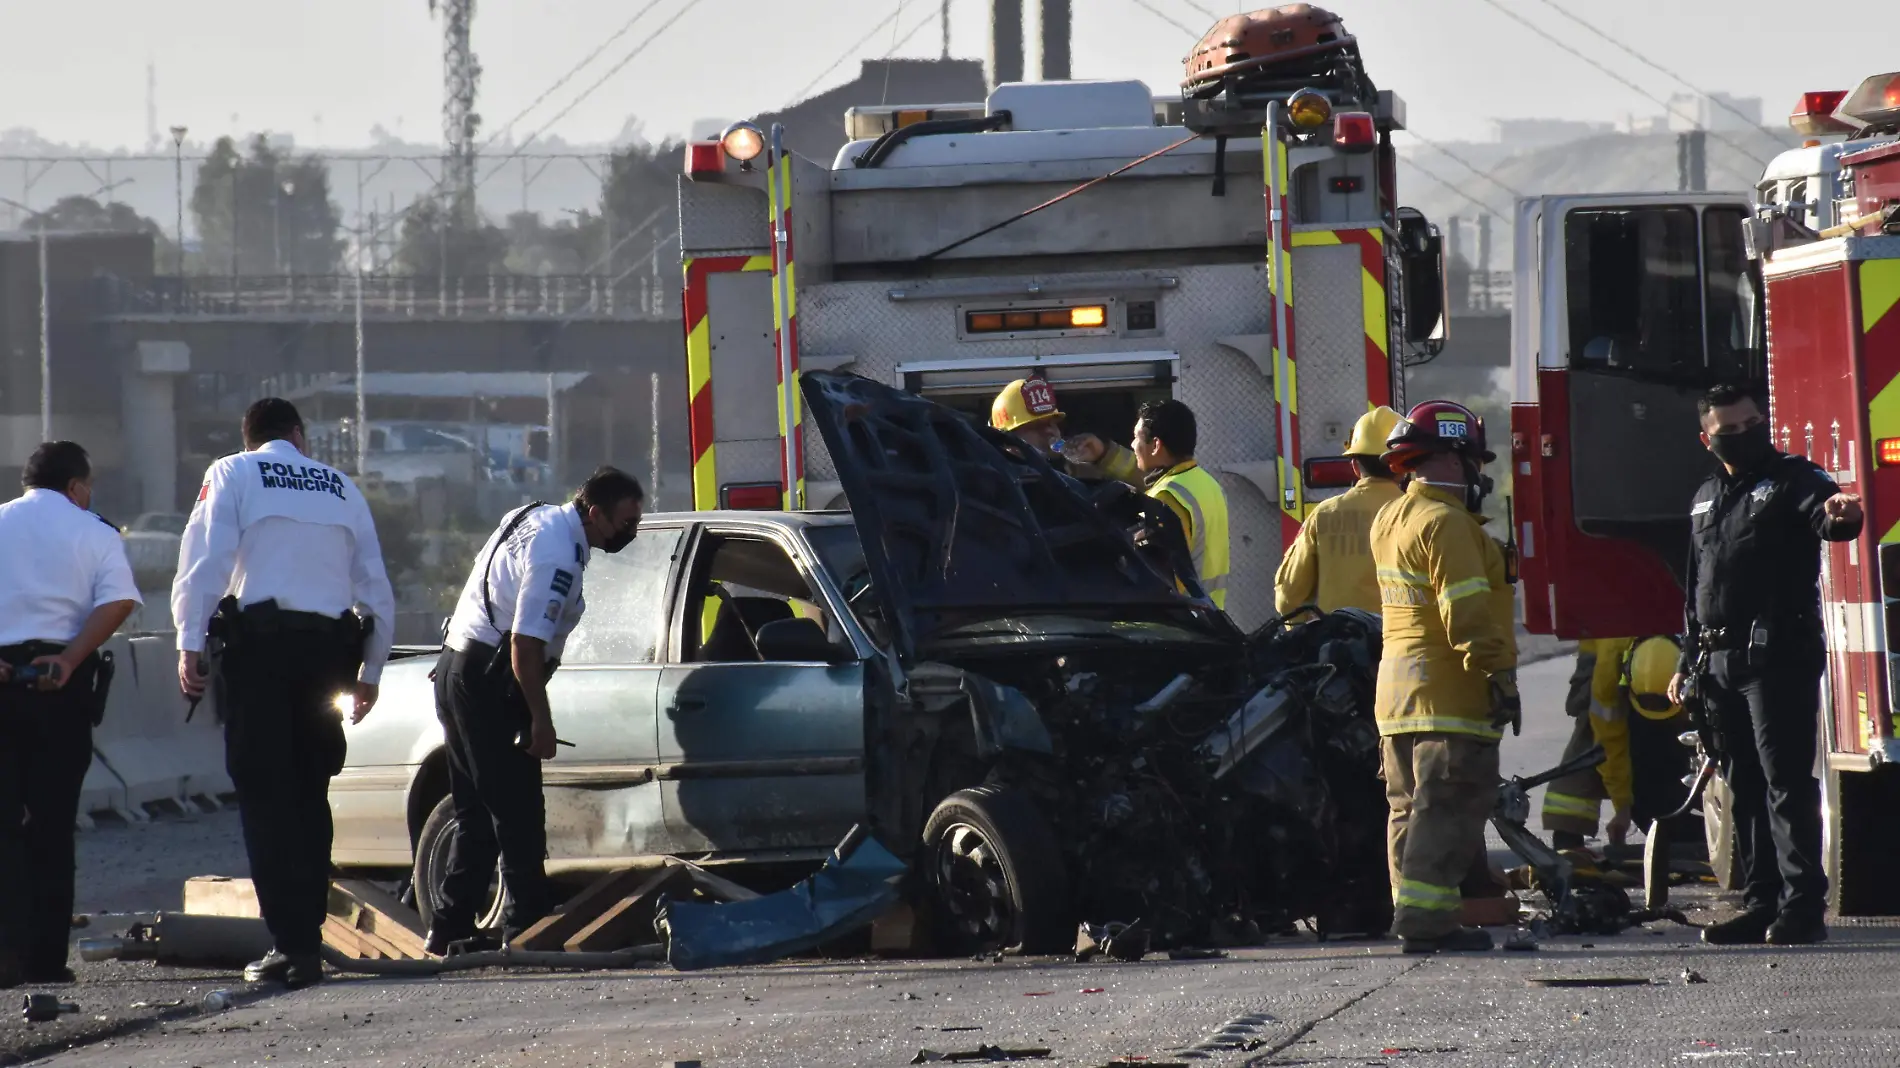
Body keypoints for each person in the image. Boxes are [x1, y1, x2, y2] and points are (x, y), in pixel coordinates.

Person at [172, 399, 396, 990]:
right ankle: (308, 937)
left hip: (262, 658)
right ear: (299, 436)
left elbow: (206, 563)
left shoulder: (233, 473)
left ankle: (291, 944)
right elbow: (374, 586)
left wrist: (188, 642)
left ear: (249, 439)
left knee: (266, 797)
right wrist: (370, 671)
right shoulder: (342, 485)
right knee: (309, 795)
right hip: (328, 660)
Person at [1668, 384, 1862, 947]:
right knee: (1744, 786)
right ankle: (1760, 903)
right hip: (1718, 661)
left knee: (1785, 785)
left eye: (1753, 422)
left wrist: (1842, 516)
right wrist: (1687, 659)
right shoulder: (1705, 496)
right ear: (1708, 439)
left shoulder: (1795, 479)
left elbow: (1829, 519)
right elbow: (1695, 586)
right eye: (1730, 429)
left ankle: (1802, 908)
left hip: (1776, 657)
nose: (1746, 434)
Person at [427, 466, 646, 953]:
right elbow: (525, 647)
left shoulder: (534, 516)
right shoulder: (557, 557)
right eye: (625, 523)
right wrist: (540, 722)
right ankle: (526, 931)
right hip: (488, 681)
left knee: (478, 813)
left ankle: (448, 929)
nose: (629, 533)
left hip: (458, 669)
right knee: (518, 811)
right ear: (594, 513)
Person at [1369, 400, 1518, 954]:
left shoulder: (1392, 517)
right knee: (1451, 802)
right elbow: (1468, 614)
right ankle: (1428, 922)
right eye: (1475, 460)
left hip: (1397, 695)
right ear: (1455, 459)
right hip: (1450, 692)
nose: (1479, 473)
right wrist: (1498, 674)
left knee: (1408, 808)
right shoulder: (1447, 524)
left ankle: (1410, 908)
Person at [0, 443, 141, 988]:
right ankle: (45, 959)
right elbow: (118, 602)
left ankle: (5, 953)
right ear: (77, 487)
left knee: (2, 825)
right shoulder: (95, 531)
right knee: (54, 827)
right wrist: (67, 659)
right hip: (60, 687)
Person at [1275, 405, 1405, 616]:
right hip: (1401, 643)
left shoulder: (1324, 514)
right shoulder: (1420, 515)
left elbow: (1289, 597)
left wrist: (1302, 633)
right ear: (1403, 465)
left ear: (1354, 465)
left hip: (1340, 643)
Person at [1128, 399, 1230, 611]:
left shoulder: (1165, 497)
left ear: (1155, 445)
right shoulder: (1207, 483)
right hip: (1212, 617)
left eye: (1136, 437)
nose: (1132, 445)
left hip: (1185, 622)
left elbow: (1159, 576)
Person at [1542, 638, 1636, 850]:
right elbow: (1609, 742)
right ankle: (1569, 836)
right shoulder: (1609, 674)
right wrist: (1623, 808)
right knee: (1588, 742)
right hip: (1605, 653)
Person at [989, 377, 1139, 486]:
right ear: (1008, 440)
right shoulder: (992, 482)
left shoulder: (1079, 471)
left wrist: (1104, 455)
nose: (1049, 430)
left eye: (1052, 422)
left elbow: (1148, 485)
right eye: (1036, 426)